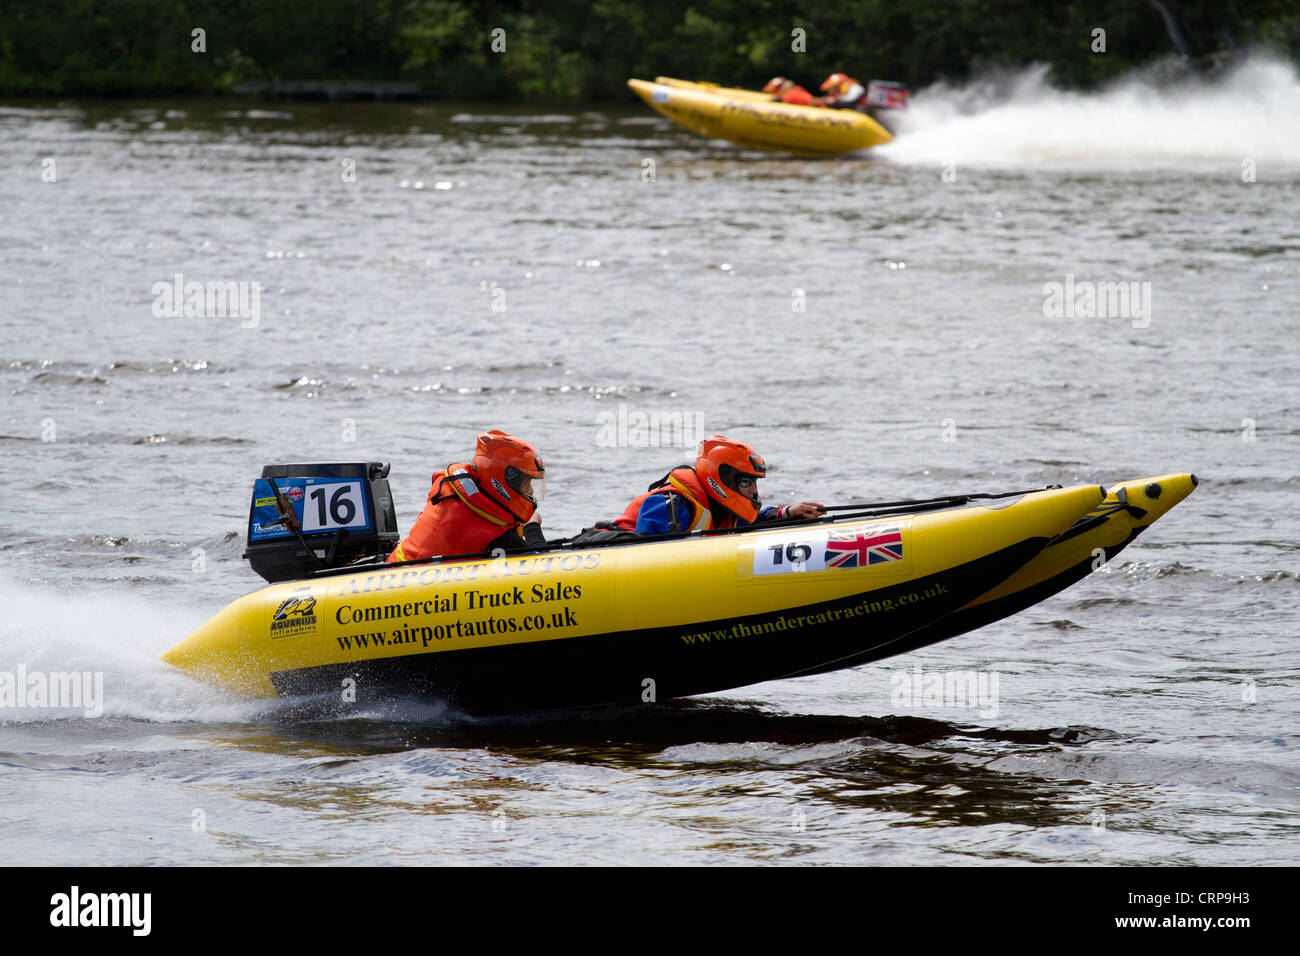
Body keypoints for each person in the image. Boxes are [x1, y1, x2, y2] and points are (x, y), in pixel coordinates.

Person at [613, 434, 825, 535]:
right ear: (722, 478)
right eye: (745, 481)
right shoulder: (670, 504)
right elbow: (644, 557)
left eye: (754, 482)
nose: (753, 489)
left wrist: (788, 513)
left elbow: (753, 520)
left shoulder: (724, 509)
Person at [387, 429, 546, 562]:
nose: (530, 492)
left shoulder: (457, 495)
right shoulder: (488, 533)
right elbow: (540, 566)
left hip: (397, 565)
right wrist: (532, 527)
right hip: (408, 588)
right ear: (503, 481)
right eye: (526, 484)